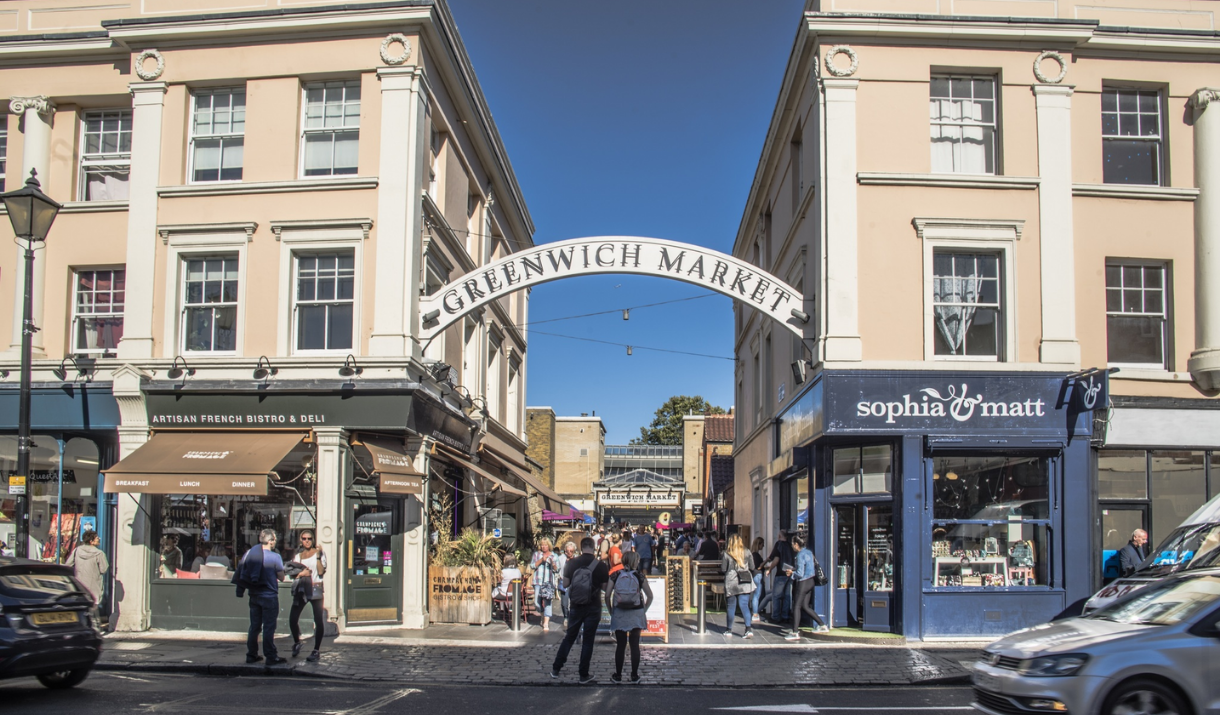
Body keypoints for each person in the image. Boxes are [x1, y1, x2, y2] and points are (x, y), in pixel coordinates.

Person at [551, 537, 610, 684]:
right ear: (594, 546)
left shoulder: (571, 563)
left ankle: (556, 668)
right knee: (588, 640)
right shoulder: (601, 565)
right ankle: (583, 674)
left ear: (581, 547)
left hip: (576, 605)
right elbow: (604, 588)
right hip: (594, 605)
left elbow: (565, 583)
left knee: (570, 636)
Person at [234, 529, 287, 664]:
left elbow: (241, 571)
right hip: (269, 596)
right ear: (270, 541)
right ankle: (271, 656)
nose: (275, 542)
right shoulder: (275, 557)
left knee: (254, 626)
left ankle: (251, 654)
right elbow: (282, 577)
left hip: (254, 595)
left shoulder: (250, 554)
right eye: (274, 539)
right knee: (269, 627)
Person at [607, 550, 652, 684]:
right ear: (635, 561)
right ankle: (634, 675)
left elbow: (607, 595)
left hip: (620, 612)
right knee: (634, 645)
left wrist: (611, 611)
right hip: (636, 612)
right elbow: (650, 595)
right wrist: (643, 610)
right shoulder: (639, 576)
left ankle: (618, 675)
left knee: (620, 645)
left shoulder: (615, 575)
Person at [289, 530, 327, 662]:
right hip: (302, 587)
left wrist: (317, 556)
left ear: (313, 539)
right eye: (304, 538)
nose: (307, 541)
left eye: (309, 538)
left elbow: (321, 571)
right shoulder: (298, 556)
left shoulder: (319, 553)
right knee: (293, 618)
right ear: (300, 540)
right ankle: (297, 642)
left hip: (315, 587)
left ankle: (316, 650)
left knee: (318, 619)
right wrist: (302, 574)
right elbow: (292, 573)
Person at [783, 535, 828, 640]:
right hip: (811, 581)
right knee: (805, 606)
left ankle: (794, 632)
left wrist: (791, 574)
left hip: (803, 583)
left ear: (796, 544)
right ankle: (822, 625)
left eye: (792, 544)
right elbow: (807, 568)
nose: (792, 546)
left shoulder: (799, 555)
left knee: (796, 607)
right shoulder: (809, 552)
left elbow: (800, 573)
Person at [722, 534, 755, 638]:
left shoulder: (726, 553)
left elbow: (723, 569)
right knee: (744, 606)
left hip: (732, 582)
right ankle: (748, 629)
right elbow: (752, 566)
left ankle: (729, 630)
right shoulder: (747, 551)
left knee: (731, 607)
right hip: (745, 581)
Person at [66, 530, 109, 604]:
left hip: (79, 586)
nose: (99, 538)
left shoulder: (77, 551)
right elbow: (103, 570)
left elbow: (68, 565)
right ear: (91, 541)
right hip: (94, 587)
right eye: (96, 537)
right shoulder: (99, 554)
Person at [764, 530, 796, 623]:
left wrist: (769, 569)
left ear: (779, 536)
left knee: (776, 596)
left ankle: (776, 616)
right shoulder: (791, 545)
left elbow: (776, 559)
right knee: (787, 596)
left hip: (781, 573)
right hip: (790, 573)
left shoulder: (779, 544)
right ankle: (785, 616)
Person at [531, 537, 560, 631]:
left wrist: (553, 564)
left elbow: (557, 569)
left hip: (548, 581)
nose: (544, 547)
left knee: (547, 601)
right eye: (542, 545)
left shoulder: (554, 556)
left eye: (545, 545)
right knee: (536, 602)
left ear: (549, 546)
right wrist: (541, 561)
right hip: (538, 581)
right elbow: (532, 565)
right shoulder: (536, 554)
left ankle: (546, 622)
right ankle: (542, 614)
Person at [556, 541, 577, 626]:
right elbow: (557, 569)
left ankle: (572, 617)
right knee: (564, 603)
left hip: (574, 582)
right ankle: (566, 616)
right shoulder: (561, 558)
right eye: (567, 551)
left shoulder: (577, 559)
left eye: (571, 551)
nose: (569, 553)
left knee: (573, 602)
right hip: (563, 581)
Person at [749, 537, 766, 625]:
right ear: (758, 544)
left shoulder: (753, 554)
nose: (763, 546)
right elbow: (758, 567)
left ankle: (755, 613)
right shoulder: (756, 555)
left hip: (755, 575)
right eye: (762, 544)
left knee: (756, 595)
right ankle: (755, 614)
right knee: (756, 595)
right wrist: (766, 561)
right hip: (757, 575)